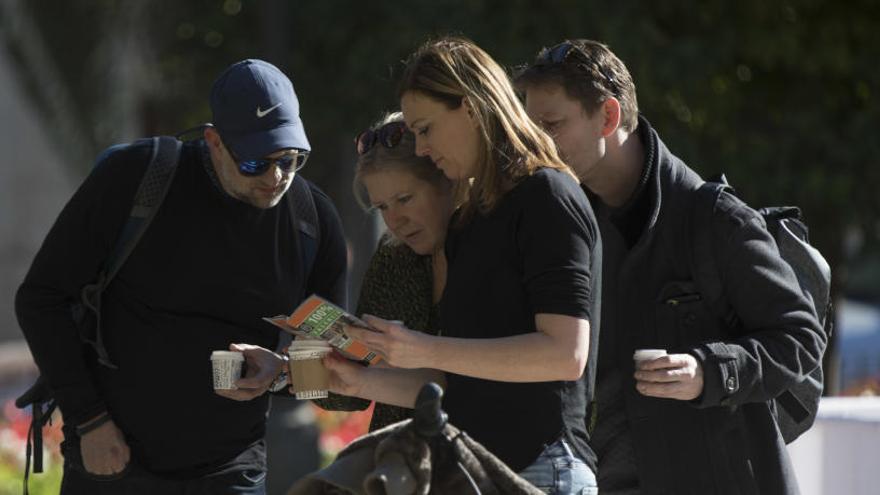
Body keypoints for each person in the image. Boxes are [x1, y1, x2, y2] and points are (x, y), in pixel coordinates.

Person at [15, 59, 348, 494]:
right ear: (213, 141)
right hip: (113, 460)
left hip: (232, 470)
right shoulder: (137, 180)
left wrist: (282, 374)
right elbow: (41, 298)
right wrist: (90, 419)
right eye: (254, 164)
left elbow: (334, 362)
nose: (276, 177)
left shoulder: (312, 220)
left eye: (290, 158)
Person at [516, 39, 826, 494]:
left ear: (607, 117)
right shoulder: (560, 223)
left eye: (552, 125)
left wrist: (707, 371)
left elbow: (801, 340)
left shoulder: (716, 218)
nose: (537, 144)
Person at [328, 37, 602, 495]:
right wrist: (360, 378)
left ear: (472, 107)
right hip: (476, 471)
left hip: (540, 470)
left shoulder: (546, 195)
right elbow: (458, 380)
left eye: (425, 129)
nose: (420, 148)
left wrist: (422, 348)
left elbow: (566, 354)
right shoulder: (469, 221)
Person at [313, 111, 456, 431]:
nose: (395, 220)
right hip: (397, 461)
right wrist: (286, 368)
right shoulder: (394, 256)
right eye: (382, 207)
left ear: (447, 179)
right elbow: (349, 396)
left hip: (476, 460)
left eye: (404, 199)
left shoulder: (491, 247)